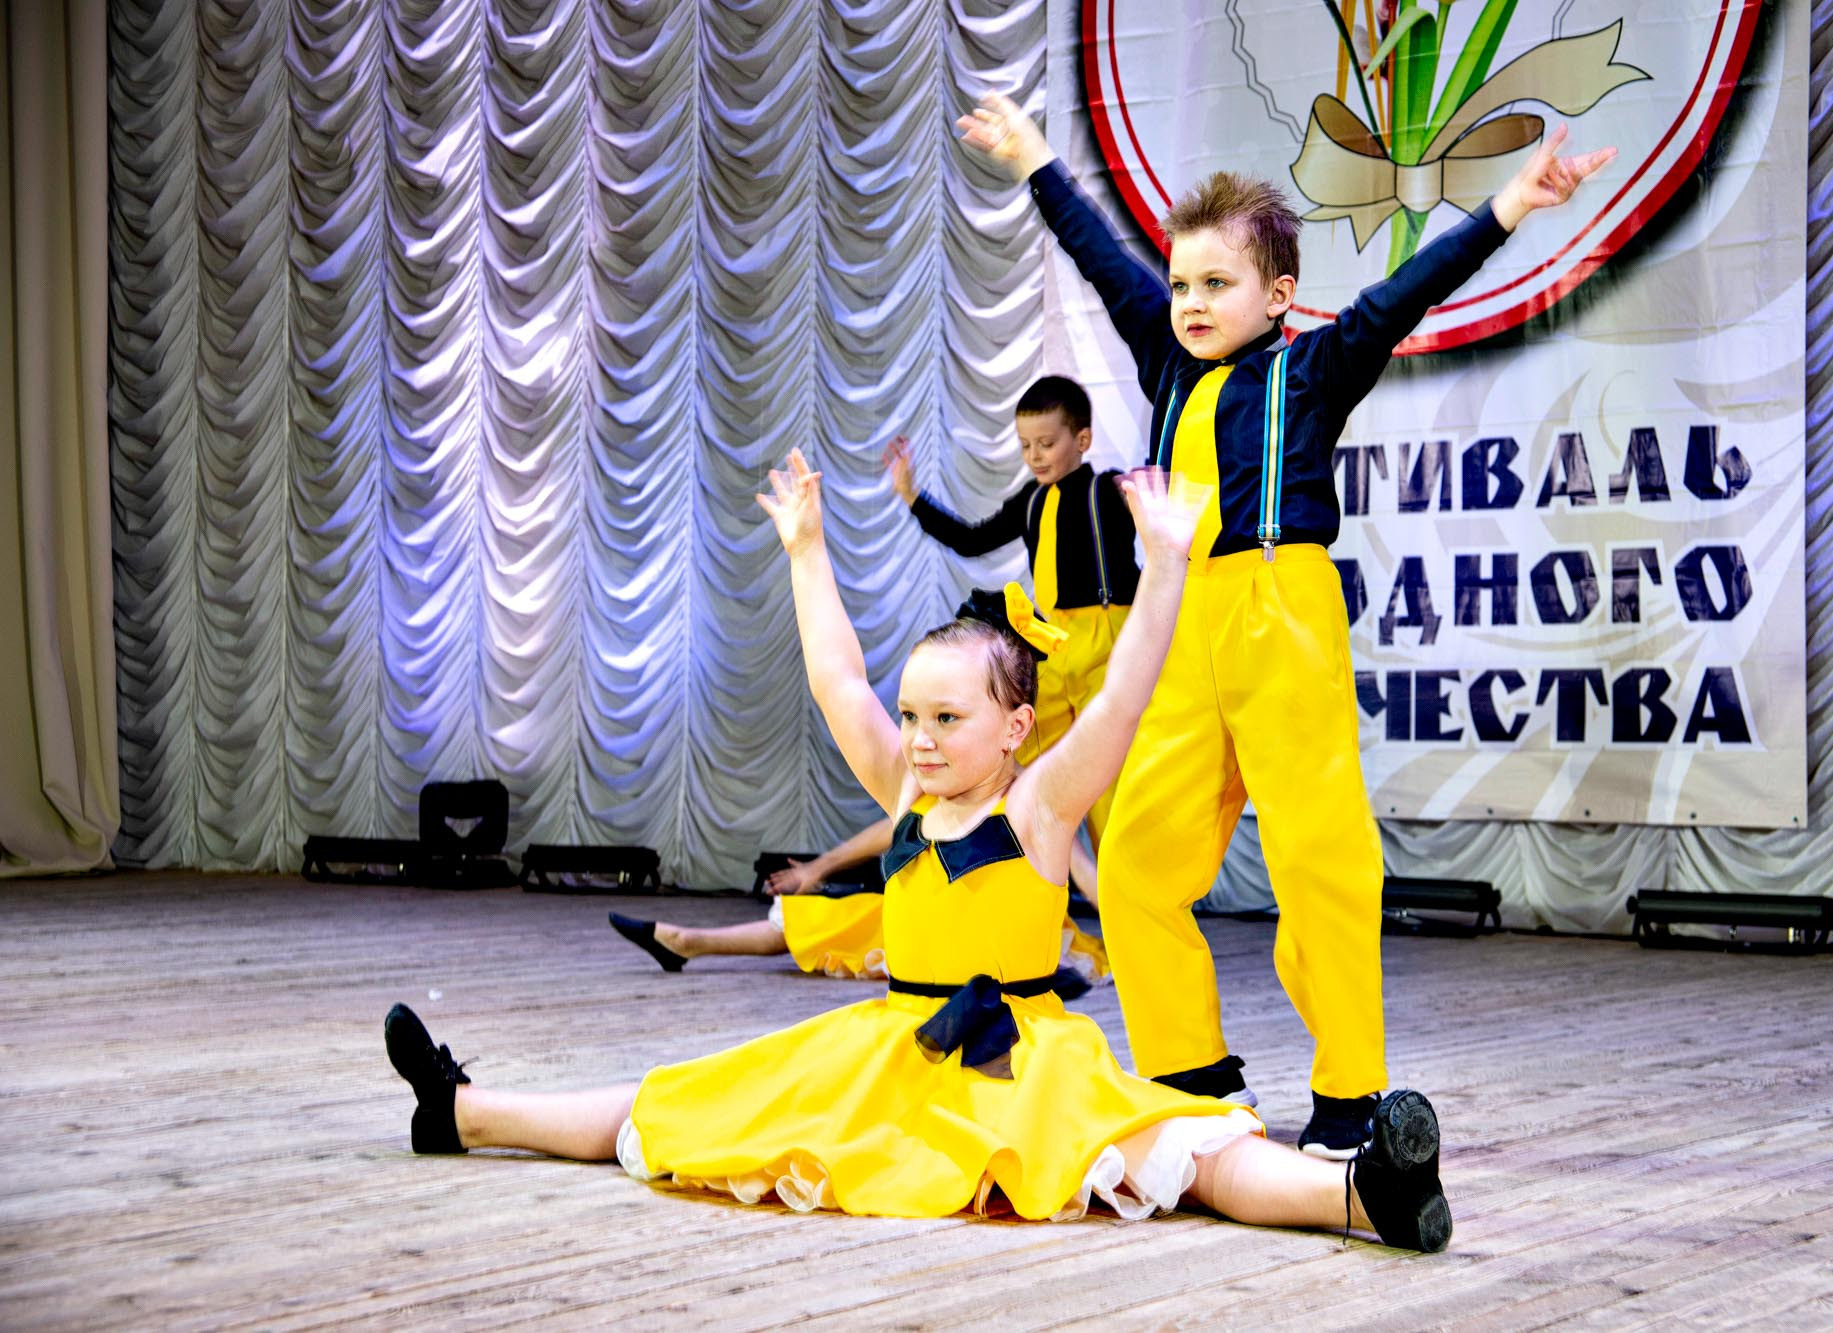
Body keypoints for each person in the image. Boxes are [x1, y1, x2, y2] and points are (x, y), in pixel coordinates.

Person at [383, 450, 1451, 1249]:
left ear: (1014, 728)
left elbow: (1122, 700)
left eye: (948, 719)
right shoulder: (901, 789)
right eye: (916, 716)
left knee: (1196, 1155)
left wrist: (1166, 564)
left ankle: (1365, 1194)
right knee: (674, 1099)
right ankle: (461, 1109)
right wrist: (805, 552)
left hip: (1022, 1056)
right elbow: (837, 681)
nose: (924, 737)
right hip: (894, 1045)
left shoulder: (1036, 812)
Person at [958, 92, 1616, 1156]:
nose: (1188, 300)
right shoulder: (1165, 358)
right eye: (1180, 283)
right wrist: (1033, 154)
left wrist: (1507, 206)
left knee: (1319, 860)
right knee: (1133, 865)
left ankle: (1349, 1095)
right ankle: (1191, 1076)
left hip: (1280, 613)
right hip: (1173, 628)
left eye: (1215, 283)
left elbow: (1408, 290)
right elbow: (1093, 251)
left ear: (1277, 294)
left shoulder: (1312, 368)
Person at [886, 374, 1137, 846]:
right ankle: (1028, 884)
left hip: (1108, 642)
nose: (1035, 456)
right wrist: (912, 496)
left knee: (1110, 781)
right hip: (1051, 644)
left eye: (1046, 443)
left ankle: (1121, 902)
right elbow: (972, 539)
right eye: (1025, 445)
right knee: (1016, 752)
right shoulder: (1031, 500)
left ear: (1082, 439)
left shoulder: (1108, 491)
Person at [607, 811, 1112, 988]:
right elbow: (899, 825)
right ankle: (684, 941)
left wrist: (1130, 929)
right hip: (938, 917)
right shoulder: (956, 781)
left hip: (998, 941)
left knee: (857, 917)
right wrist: (818, 867)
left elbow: (1083, 873)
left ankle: (685, 942)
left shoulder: (1033, 794)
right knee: (857, 912)